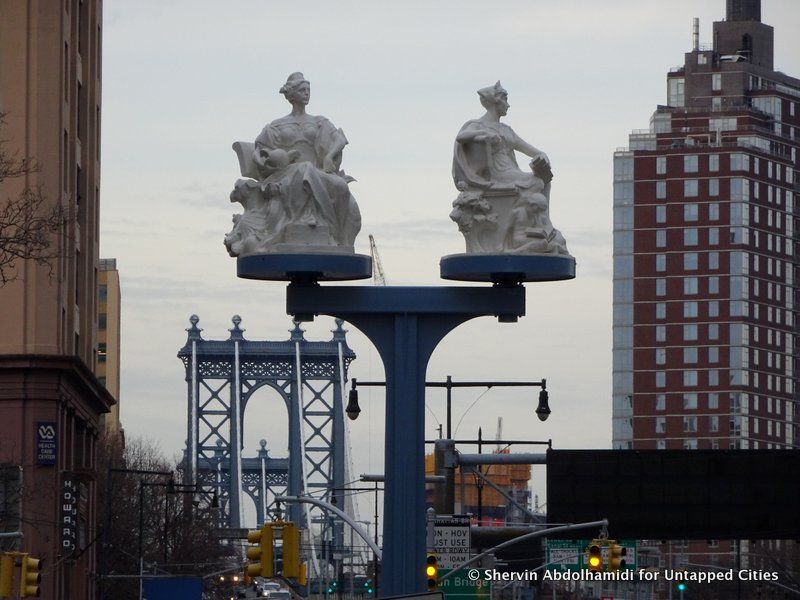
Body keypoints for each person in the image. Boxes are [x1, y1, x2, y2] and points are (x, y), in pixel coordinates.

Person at [226, 72, 361, 256]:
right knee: (304, 169)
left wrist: (329, 156)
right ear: (291, 95)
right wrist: (273, 160)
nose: (307, 93)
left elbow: (340, 139)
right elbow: (259, 153)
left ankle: (338, 237)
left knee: (340, 186)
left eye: (308, 89)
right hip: (285, 175)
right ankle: (306, 219)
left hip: (318, 173)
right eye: (302, 90)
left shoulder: (320, 121)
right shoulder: (275, 126)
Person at [451, 81, 568, 256]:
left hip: (511, 172)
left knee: (544, 180)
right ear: (495, 101)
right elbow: (462, 137)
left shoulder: (507, 130)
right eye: (505, 100)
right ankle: (523, 230)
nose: (508, 105)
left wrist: (541, 157)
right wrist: (484, 135)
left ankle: (542, 224)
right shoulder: (477, 125)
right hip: (497, 174)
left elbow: (532, 150)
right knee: (536, 182)